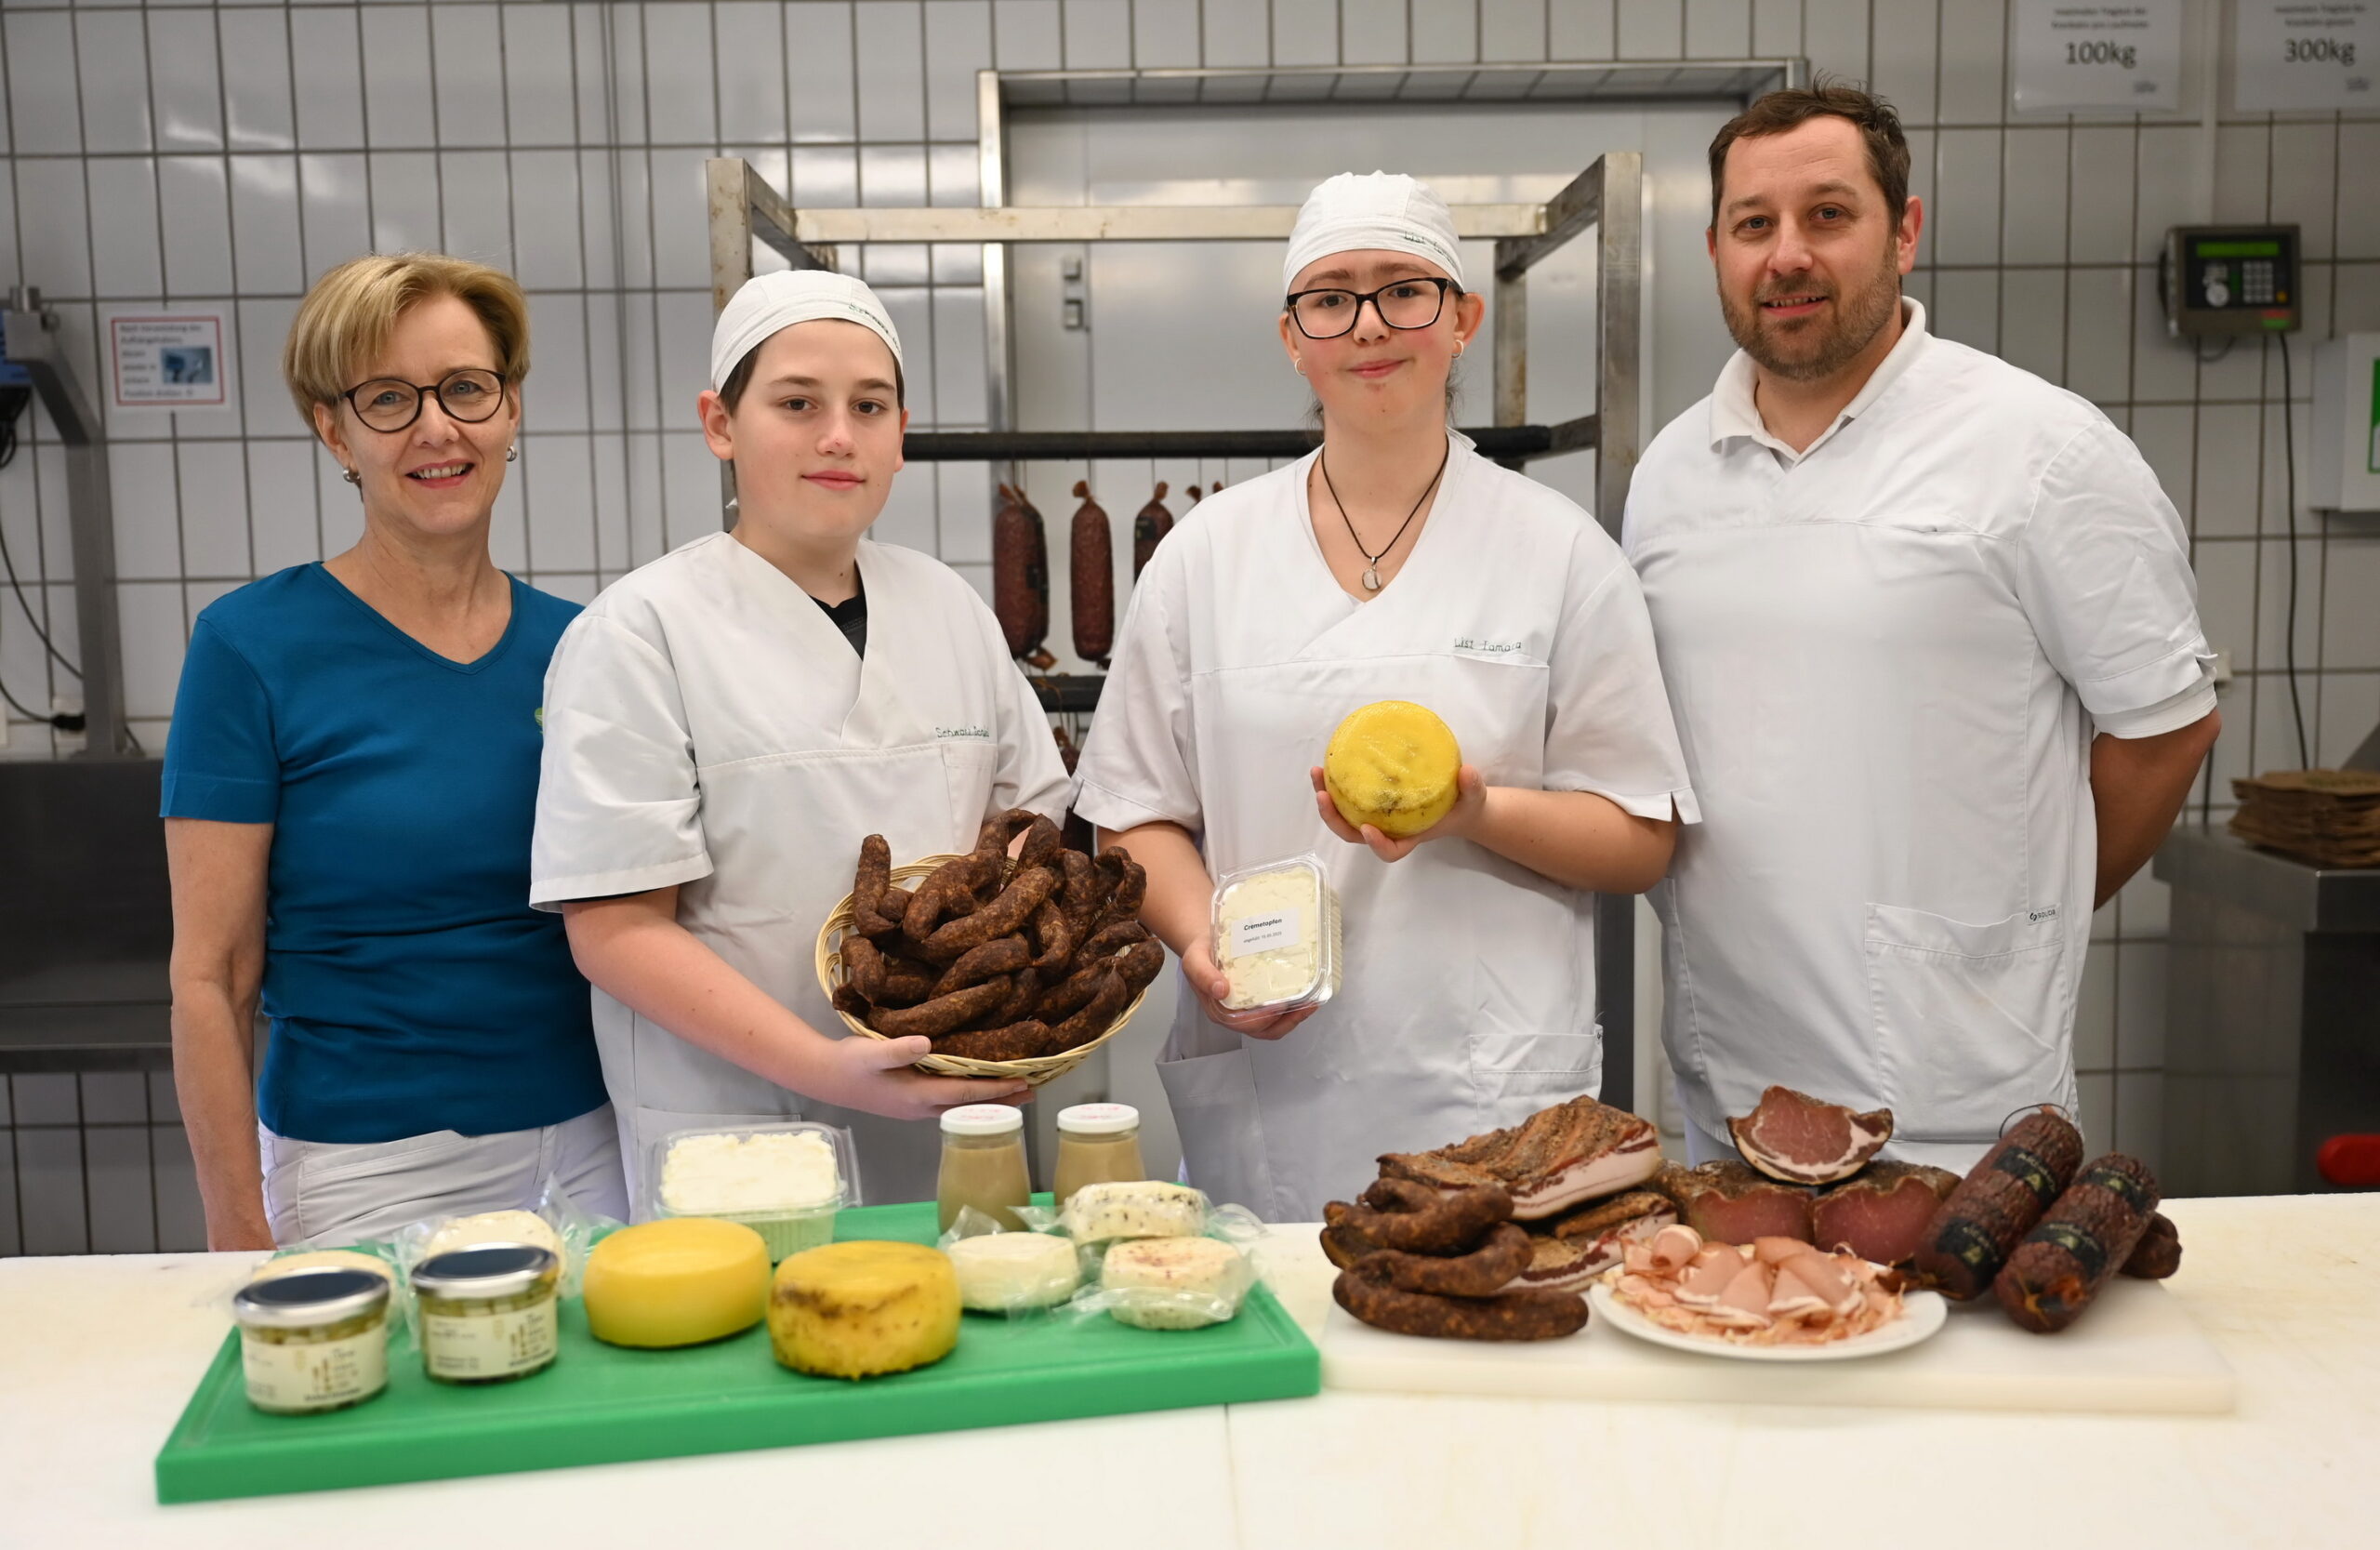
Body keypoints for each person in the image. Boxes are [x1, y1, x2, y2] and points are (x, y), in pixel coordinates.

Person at [1073, 173, 1699, 1222]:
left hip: (1491, 1086)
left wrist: (1478, 811)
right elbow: (1131, 817)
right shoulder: (1202, 559)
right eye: (1331, 297)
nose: (1369, 325)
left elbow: (1640, 839)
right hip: (1273, 1081)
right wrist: (1199, 944)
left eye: (1404, 290)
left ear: (1463, 319)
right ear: (1291, 336)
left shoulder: (1560, 554)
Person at [1623, 86, 2221, 1171]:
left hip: (1956, 1106)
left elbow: (2168, 727)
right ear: (1715, 247)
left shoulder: (2040, 450)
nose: (1786, 255)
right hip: (1729, 1090)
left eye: (1829, 215)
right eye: (1754, 225)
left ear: (1904, 230)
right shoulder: (1670, 472)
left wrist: (2009, 924)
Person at [532, 270, 1069, 1209]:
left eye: (869, 405)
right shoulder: (640, 629)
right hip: (734, 1130)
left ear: (900, 434)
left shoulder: (946, 604)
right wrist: (829, 1067)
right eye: (796, 402)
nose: (837, 435)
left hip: (955, 1114)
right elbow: (615, 929)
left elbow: (1025, 830)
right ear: (719, 424)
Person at [163, 253, 624, 1249]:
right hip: (367, 1169)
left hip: (598, 1148)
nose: (436, 428)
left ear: (510, 411)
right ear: (334, 430)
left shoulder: (585, 645)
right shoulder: (252, 647)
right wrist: (237, 1229)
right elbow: (212, 973)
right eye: (388, 398)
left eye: (466, 387)